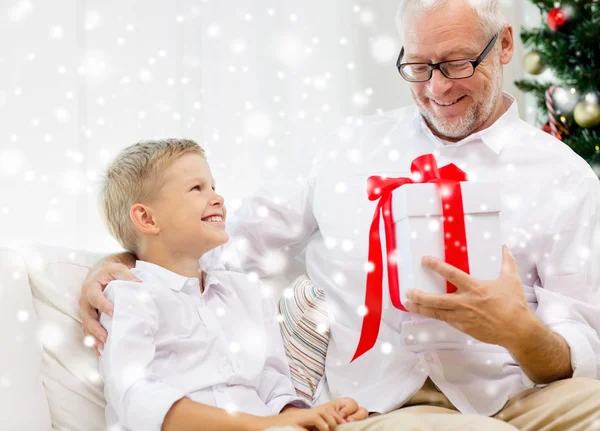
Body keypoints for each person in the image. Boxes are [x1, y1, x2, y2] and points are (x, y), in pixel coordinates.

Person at [82, 1, 600, 430]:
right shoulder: (346, 148)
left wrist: (518, 332)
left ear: (505, 45)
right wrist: (125, 260)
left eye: (459, 64)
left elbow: (580, 346)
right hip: (384, 405)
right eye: (419, 67)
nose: (437, 89)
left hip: (521, 395)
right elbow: (228, 245)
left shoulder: (564, 177)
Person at [95, 139, 367, 431]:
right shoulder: (129, 295)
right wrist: (259, 425)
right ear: (147, 218)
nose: (217, 198)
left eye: (213, 186)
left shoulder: (246, 292)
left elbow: (274, 386)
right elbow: (136, 397)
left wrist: (311, 415)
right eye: (196, 188)